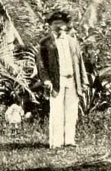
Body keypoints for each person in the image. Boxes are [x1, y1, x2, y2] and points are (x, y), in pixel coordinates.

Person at [36, 9, 87, 148]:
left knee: (71, 111)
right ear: (50, 25)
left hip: (72, 80)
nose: (59, 26)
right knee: (56, 111)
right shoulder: (45, 43)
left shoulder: (73, 41)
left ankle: (69, 140)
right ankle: (56, 142)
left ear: (66, 25)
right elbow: (41, 65)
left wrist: (84, 81)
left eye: (61, 23)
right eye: (55, 23)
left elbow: (79, 61)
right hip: (56, 81)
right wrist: (46, 80)